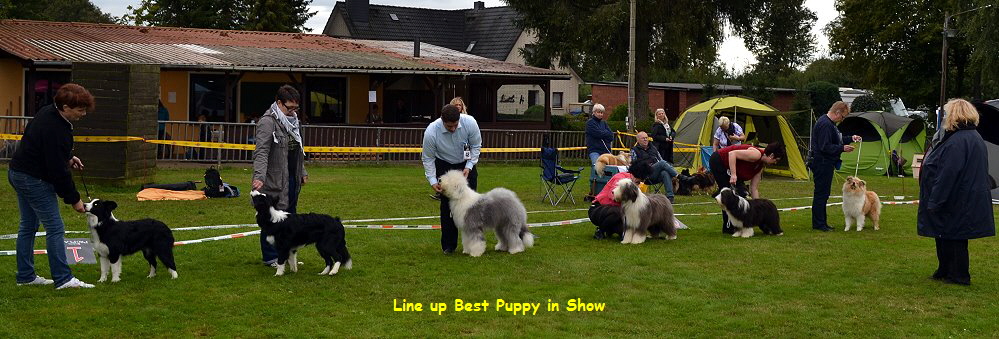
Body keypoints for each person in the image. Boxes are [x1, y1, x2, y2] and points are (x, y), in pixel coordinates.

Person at [8, 83, 95, 289]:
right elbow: (58, 173)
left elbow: (48, 150)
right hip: (33, 179)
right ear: (65, 107)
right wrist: (74, 200)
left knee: (28, 226)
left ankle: (26, 276)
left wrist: (69, 156)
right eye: (80, 110)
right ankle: (63, 279)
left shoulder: (48, 112)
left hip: (18, 172)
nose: (83, 114)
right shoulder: (56, 128)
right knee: (55, 228)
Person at [918, 99, 995, 285]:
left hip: (957, 197)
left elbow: (948, 173)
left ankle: (958, 275)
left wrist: (936, 199)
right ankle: (945, 269)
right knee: (945, 233)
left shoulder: (959, 141)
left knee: (955, 236)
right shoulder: (969, 137)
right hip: (962, 196)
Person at [252, 85, 308, 266]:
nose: (292, 112)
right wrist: (259, 176)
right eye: (289, 108)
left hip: (292, 177)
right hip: (273, 179)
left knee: (290, 218)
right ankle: (270, 257)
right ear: (278, 103)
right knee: (272, 218)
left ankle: (288, 256)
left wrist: (302, 172)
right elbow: (261, 151)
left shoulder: (294, 122)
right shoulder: (267, 122)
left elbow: (298, 151)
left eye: (295, 108)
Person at [422, 104, 482, 254]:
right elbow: (428, 158)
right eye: (449, 126)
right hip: (444, 165)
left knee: (471, 207)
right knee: (447, 207)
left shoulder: (470, 123)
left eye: (455, 125)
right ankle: (449, 245)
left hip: (466, 165)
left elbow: (476, 146)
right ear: (442, 120)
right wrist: (433, 180)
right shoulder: (431, 132)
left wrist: (469, 166)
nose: (453, 129)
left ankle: (474, 245)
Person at [709, 142, 786, 234]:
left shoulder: (760, 166)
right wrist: (733, 175)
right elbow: (732, 154)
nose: (775, 163)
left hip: (732, 169)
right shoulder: (756, 154)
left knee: (742, 194)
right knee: (728, 196)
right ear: (771, 155)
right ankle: (728, 227)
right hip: (719, 161)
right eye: (776, 160)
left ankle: (740, 224)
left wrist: (759, 206)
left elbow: (754, 188)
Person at [808, 101, 862, 231]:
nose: (842, 120)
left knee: (824, 194)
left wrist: (850, 138)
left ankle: (821, 222)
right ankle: (819, 224)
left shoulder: (829, 124)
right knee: (821, 194)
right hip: (822, 163)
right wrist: (842, 148)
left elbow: (836, 139)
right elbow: (825, 146)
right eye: (842, 117)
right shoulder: (825, 124)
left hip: (826, 163)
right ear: (837, 113)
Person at [589, 160, 653, 239]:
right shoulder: (621, 178)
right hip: (599, 208)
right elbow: (612, 196)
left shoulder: (636, 183)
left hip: (617, 211)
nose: (641, 181)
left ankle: (610, 229)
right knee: (618, 211)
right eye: (641, 179)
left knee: (625, 233)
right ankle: (601, 230)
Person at [631, 131, 677, 202]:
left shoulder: (653, 148)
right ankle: (678, 176)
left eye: (646, 138)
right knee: (662, 163)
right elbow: (634, 166)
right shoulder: (634, 150)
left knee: (665, 172)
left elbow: (660, 159)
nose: (645, 139)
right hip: (644, 175)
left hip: (655, 173)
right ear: (638, 140)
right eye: (643, 138)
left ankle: (670, 197)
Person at [585, 103, 614, 186]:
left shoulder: (604, 123)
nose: (600, 114)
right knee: (596, 169)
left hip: (606, 151)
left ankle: (606, 187)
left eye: (602, 112)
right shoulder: (590, 123)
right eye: (598, 112)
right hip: (595, 151)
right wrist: (605, 133)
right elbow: (598, 134)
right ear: (593, 112)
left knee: (610, 170)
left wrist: (603, 133)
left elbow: (611, 136)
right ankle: (593, 189)